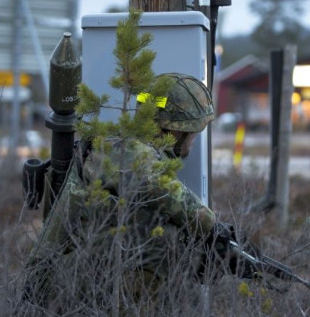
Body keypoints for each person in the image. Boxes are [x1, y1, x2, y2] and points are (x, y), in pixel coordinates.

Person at [22, 73, 226, 315]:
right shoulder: (122, 149)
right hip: (62, 284)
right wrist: (213, 229)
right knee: (161, 240)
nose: (194, 140)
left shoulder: (134, 150)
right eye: (194, 132)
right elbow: (162, 189)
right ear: (175, 130)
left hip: (80, 278)